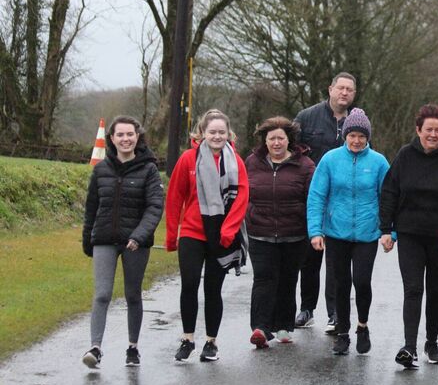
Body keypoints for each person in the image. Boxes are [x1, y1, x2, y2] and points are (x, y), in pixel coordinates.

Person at [379, 103, 438, 367]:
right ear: (418, 130)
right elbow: (390, 192)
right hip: (409, 233)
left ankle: (431, 343)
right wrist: (386, 229)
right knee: (413, 289)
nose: (433, 134)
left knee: (436, 290)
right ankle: (409, 347)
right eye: (428, 129)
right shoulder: (405, 155)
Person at [165, 109, 249, 363]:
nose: (217, 136)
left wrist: (229, 230)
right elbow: (175, 198)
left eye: (221, 132)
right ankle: (188, 338)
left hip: (222, 235)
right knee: (189, 284)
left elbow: (242, 199)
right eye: (212, 132)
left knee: (214, 289)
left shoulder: (237, 162)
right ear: (202, 133)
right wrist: (171, 235)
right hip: (192, 232)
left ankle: (211, 342)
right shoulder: (188, 159)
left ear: (228, 134)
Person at [81, 116, 164, 368]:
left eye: (130, 134)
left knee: (132, 295)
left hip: (135, 243)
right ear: (112, 138)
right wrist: (88, 240)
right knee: (102, 294)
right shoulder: (101, 169)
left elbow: (154, 207)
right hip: (104, 239)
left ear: (137, 137)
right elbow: (91, 209)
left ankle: (132, 347)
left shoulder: (149, 169)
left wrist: (139, 236)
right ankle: (95, 348)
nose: (126, 139)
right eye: (121, 135)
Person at [307, 108, 390, 355]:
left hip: (367, 233)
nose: (356, 140)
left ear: (367, 137)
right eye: (352, 135)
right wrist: (315, 231)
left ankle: (362, 326)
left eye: (361, 136)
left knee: (362, 281)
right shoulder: (330, 160)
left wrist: (390, 231)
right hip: (336, 233)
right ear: (345, 135)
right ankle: (342, 333)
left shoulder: (378, 162)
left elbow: (388, 199)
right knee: (341, 283)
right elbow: (317, 196)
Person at [294, 72, 357, 333]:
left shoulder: (357, 121)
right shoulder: (307, 117)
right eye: (340, 88)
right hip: (312, 197)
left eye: (349, 90)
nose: (344, 93)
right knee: (310, 256)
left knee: (337, 260)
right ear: (330, 89)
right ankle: (306, 308)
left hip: (342, 200)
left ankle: (335, 312)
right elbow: (290, 151)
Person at [245, 117, 315, 349]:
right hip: (260, 232)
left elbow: (312, 199)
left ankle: (284, 325)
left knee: (287, 279)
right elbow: (243, 193)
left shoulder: (305, 165)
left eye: (280, 138)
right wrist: (249, 214)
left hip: (294, 234)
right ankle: (261, 329)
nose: (276, 143)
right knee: (263, 279)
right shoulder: (252, 163)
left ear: (289, 140)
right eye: (271, 138)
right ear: (265, 141)